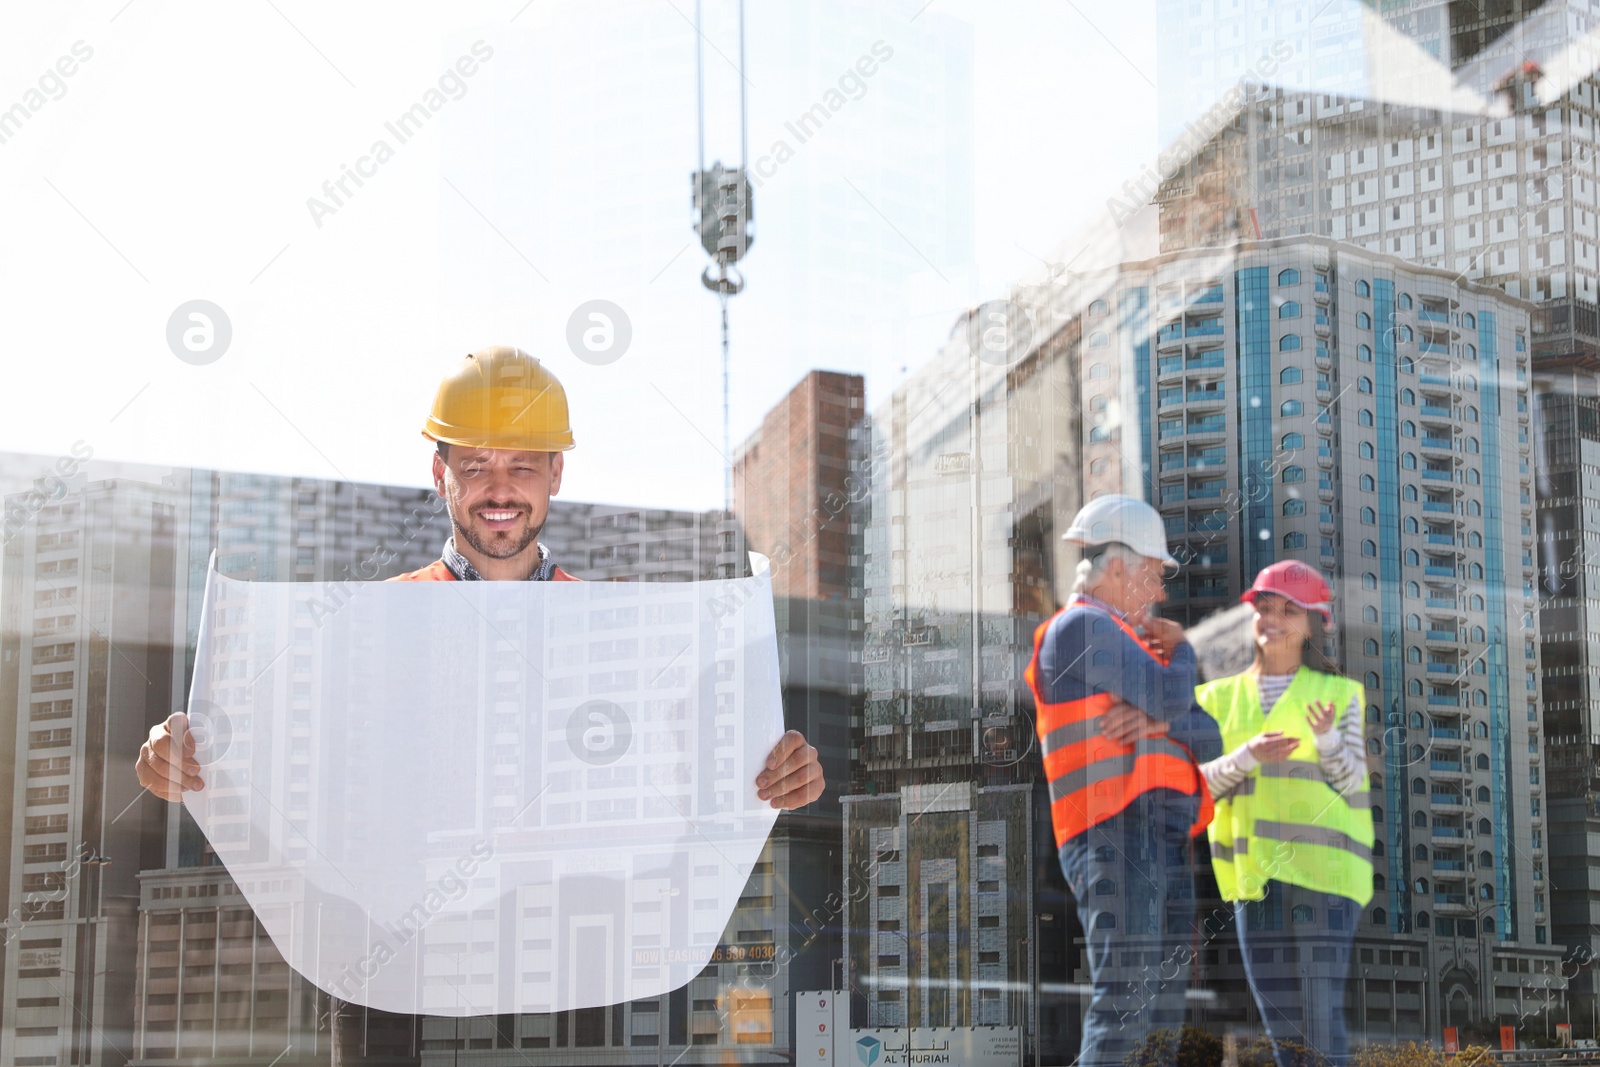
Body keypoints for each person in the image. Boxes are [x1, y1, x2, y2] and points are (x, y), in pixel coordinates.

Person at [135, 346, 826, 1063]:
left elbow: (685, 789)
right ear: (441, 474)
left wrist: (774, 774)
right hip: (389, 982)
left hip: (569, 974)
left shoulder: (625, 635)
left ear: (556, 471)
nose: (501, 487)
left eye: (523, 463)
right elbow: (281, 763)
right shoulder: (364, 624)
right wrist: (185, 755)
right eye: (475, 464)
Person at [1024, 494, 1221, 1067]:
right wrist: (1183, 655)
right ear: (1118, 568)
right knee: (1128, 1002)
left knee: (1159, 1014)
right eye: (1154, 575)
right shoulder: (1081, 627)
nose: (1161, 594)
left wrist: (1163, 713)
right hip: (1112, 830)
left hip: (1158, 836)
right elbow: (1172, 697)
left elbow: (1212, 739)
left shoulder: (1133, 645)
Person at [1193, 560, 1372, 1067]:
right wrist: (1246, 755)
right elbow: (1195, 786)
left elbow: (1353, 782)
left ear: (1313, 623)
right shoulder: (1216, 697)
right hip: (1256, 878)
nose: (1271, 618)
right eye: (1264, 608)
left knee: (1321, 1026)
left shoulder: (1340, 696)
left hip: (1325, 880)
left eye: (1288, 610)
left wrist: (1327, 740)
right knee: (1283, 1030)